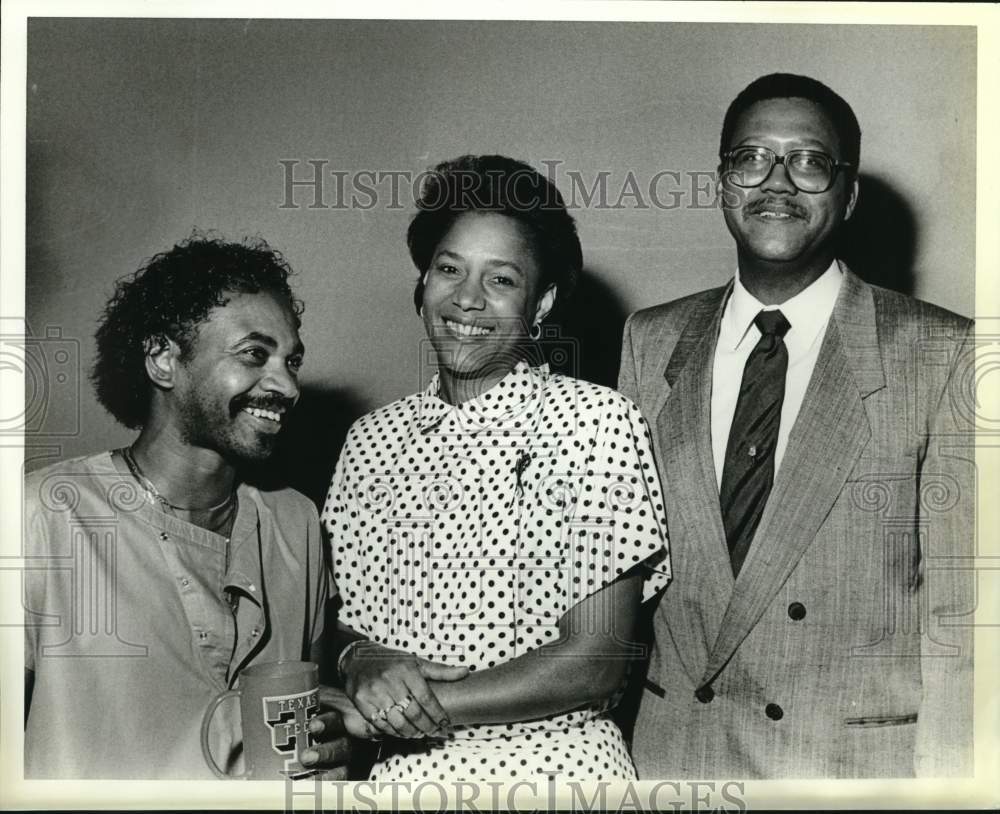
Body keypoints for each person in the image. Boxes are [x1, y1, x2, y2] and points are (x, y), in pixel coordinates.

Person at [620, 73, 975, 778]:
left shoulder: (942, 352)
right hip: (675, 759)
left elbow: (963, 620)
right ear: (722, 181)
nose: (776, 181)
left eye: (809, 161)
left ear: (848, 194)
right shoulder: (649, 340)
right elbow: (614, 580)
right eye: (750, 157)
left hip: (846, 770)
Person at [318, 155, 670, 782]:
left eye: (501, 280)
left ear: (542, 303)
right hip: (399, 781)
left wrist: (398, 713)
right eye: (449, 269)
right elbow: (343, 619)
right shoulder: (370, 439)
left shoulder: (594, 422)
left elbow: (595, 659)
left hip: (557, 776)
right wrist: (357, 657)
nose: (468, 298)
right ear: (422, 284)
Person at [23, 235, 349, 778]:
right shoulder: (42, 516)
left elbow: (309, 715)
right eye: (254, 354)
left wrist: (332, 747)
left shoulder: (297, 523)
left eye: (292, 361)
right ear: (164, 360)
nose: (287, 385)